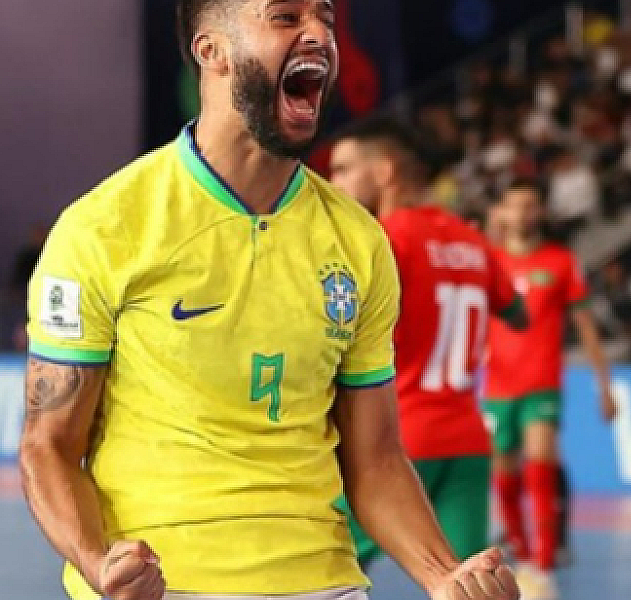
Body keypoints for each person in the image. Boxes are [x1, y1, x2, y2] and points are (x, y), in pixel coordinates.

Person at [18, 2, 519, 600]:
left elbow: (377, 459)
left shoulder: (358, 242)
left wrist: (445, 577)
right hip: (162, 584)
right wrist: (100, 564)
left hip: (325, 584)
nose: (319, 34)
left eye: (325, 18)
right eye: (285, 16)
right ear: (212, 51)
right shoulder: (104, 227)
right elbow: (49, 445)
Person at [328, 118, 527, 567]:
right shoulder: (474, 241)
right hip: (467, 443)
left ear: (383, 173)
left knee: (325, 575)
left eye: (343, 170)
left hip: (393, 445)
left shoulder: (384, 241)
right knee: (468, 584)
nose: (332, 182)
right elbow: (518, 314)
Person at [484, 179, 617, 600]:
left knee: (540, 465)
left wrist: (604, 386)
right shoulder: (488, 261)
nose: (523, 214)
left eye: (530, 206)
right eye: (515, 206)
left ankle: (542, 566)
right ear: (502, 213)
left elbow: (586, 327)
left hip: (541, 384)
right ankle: (520, 553)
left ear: (540, 213)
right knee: (503, 473)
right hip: (497, 386)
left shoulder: (560, 262)